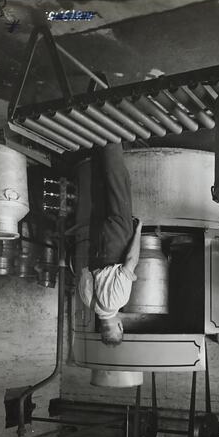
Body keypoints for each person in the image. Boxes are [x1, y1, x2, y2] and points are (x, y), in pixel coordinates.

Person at [78, 143, 143, 345]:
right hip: (96, 240)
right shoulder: (87, 301)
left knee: (118, 184)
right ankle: (97, 141)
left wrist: (138, 230)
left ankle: (111, 136)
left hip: (117, 241)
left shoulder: (119, 300)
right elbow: (85, 272)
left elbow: (130, 262)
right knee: (100, 193)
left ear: (119, 326)